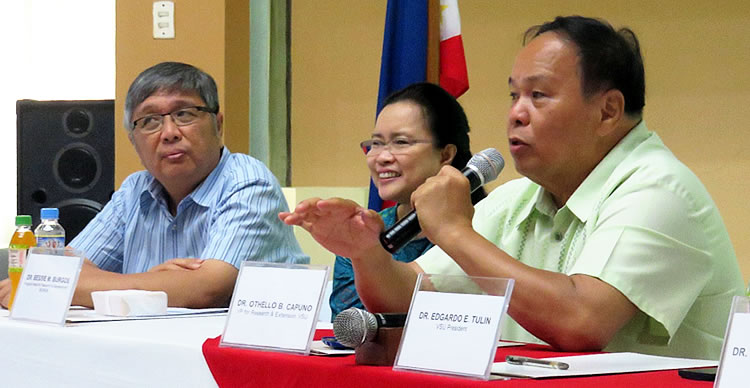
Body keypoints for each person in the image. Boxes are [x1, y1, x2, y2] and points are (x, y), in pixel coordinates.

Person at [280, 16, 744, 359]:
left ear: (607, 111)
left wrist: (455, 231)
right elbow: (408, 296)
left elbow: (582, 323)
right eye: (513, 95)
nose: (516, 114)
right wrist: (366, 252)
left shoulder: (661, 190)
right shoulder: (516, 197)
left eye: (538, 95)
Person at [0, 61, 308, 309]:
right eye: (149, 121)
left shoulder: (247, 182)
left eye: (185, 114)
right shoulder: (135, 191)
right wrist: (149, 281)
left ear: (218, 124)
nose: (170, 132)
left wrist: (74, 286)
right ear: (133, 141)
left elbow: (206, 290)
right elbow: (57, 269)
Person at [330, 83, 486, 319]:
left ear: (445, 154)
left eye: (401, 142)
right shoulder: (363, 232)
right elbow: (349, 324)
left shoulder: (484, 227)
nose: (381, 157)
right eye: (376, 143)